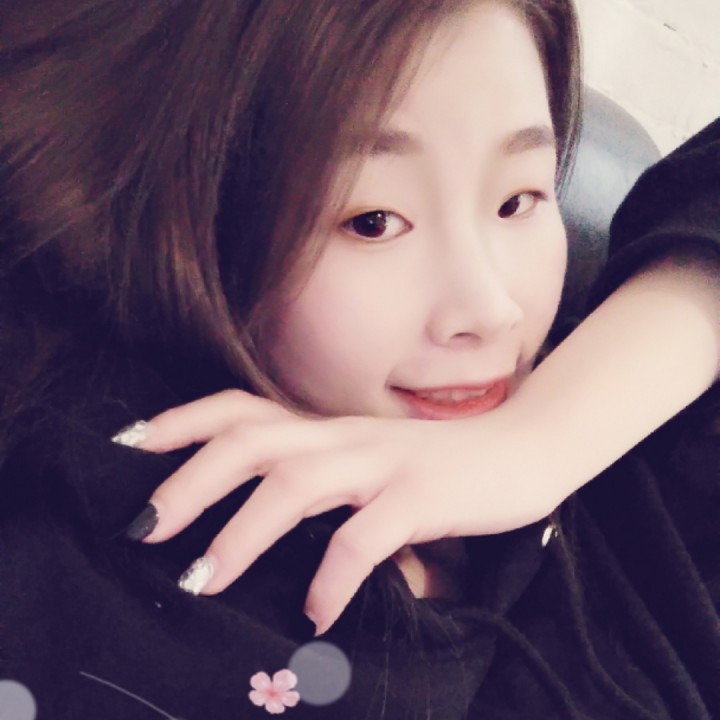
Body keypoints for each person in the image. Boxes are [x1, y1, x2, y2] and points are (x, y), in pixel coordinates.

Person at [0, 1, 718, 719]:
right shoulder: (114, 541)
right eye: (373, 222)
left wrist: (538, 445)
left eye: (517, 201)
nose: (492, 310)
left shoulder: (634, 432)